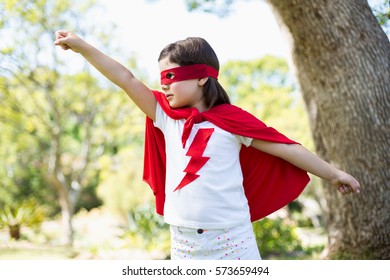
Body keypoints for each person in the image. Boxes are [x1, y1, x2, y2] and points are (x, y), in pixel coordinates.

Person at [54, 31, 360, 260]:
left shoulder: (233, 121)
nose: (163, 84)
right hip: (183, 241)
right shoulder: (165, 115)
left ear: (201, 77)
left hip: (232, 240)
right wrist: (81, 47)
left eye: (171, 75)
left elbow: (288, 149)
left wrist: (334, 175)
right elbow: (126, 78)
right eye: (162, 76)